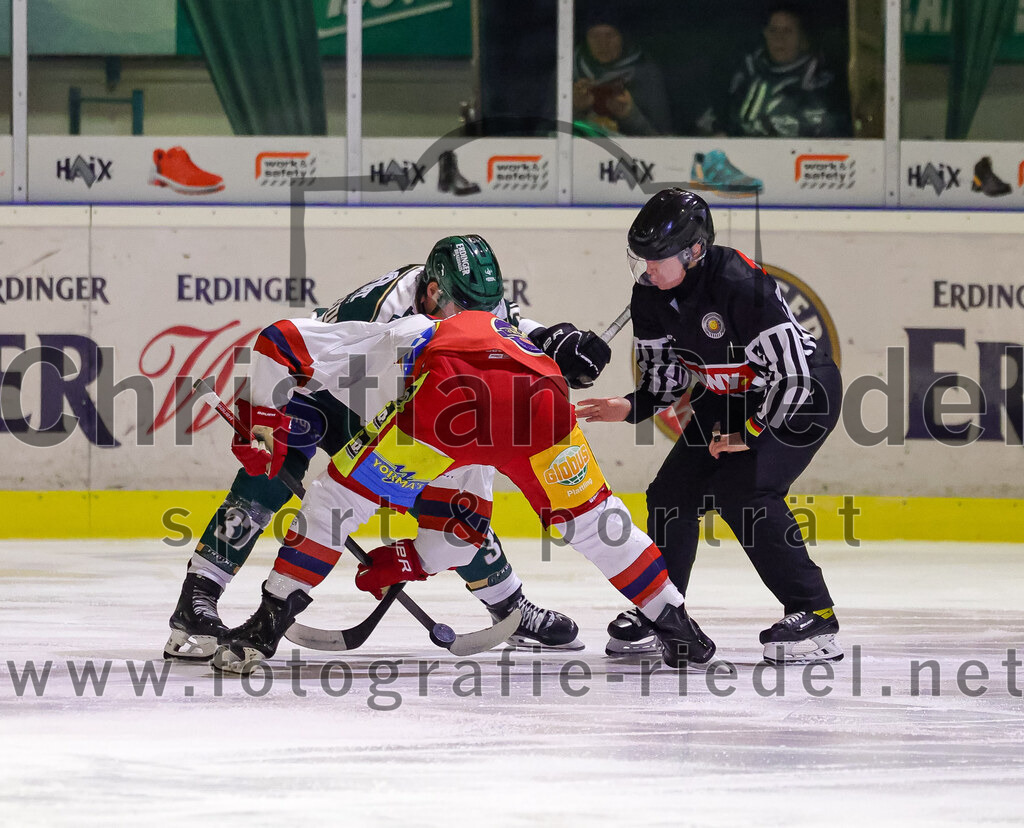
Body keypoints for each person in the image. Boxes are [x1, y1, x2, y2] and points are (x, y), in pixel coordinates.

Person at [165, 235, 613, 659]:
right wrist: (257, 423)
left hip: (382, 403)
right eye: (468, 309)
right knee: (268, 475)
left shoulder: (461, 301)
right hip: (318, 388)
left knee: (453, 498)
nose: (481, 319)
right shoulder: (385, 316)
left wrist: (557, 341)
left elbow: (506, 328)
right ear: (434, 293)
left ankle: (509, 607)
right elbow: (285, 343)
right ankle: (198, 598)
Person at [211, 303, 716, 675]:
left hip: (443, 408)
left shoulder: (407, 330)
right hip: (543, 404)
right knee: (597, 523)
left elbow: (279, 340)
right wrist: (409, 560)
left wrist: (260, 425)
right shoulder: (517, 336)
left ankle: (264, 626)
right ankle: (677, 626)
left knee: (333, 503)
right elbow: (462, 531)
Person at [576, 188, 844, 665]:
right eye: (642, 259)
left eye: (656, 259)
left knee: (744, 492)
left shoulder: (741, 283)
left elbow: (794, 377)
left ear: (694, 250)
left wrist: (752, 434)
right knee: (670, 494)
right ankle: (664, 611)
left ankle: (816, 616)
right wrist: (628, 405)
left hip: (799, 398)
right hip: (730, 400)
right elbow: (665, 380)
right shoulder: (650, 296)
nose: (647, 268)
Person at [697, 3, 851, 138]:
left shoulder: (821, 81)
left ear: (804, 39)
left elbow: (826, 130)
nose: (779, 38)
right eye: (773, 30)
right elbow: (707, 124)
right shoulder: (745, 74)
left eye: (788, 31)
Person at [572, 4, 672, 137]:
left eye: (610, 35)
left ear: (623, 38)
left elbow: (665, 142)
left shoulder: (646, 73)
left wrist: (630, 115)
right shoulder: (568, 69)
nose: (602, 44)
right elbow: (546, 133)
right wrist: (576, 108)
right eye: (594, 36)